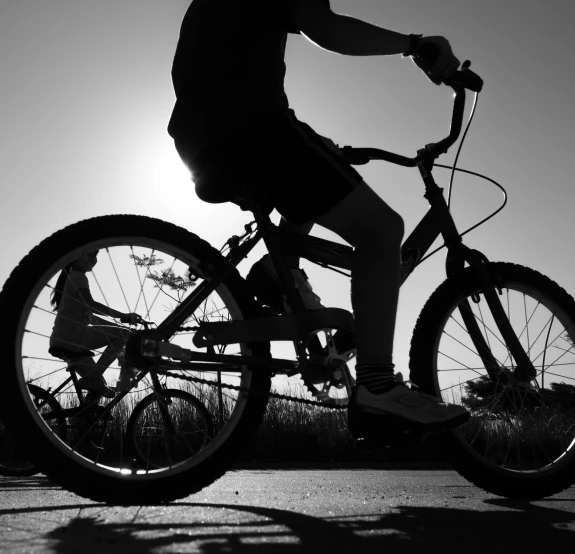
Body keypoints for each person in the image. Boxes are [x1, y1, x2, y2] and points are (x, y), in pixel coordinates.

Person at [168, 0, 469, 436]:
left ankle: (280, 267)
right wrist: (414, 45)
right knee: (381, 230)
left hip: (201, 135)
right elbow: (326, 28)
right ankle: (378, 387)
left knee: (318, 163)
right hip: (253, 126)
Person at [49, 250, 142, 399]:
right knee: (125, 335)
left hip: (62, 339)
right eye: (88, 254)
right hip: (71, 336)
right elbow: (91, 305)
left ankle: (83, 420)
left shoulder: (72, 277)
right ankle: (91, 379)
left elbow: (91, 318)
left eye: (95, 255)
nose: (93, 259)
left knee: (98, 386)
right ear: (73, 257)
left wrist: (121, 325)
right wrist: (123, 316)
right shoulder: (78, 276)